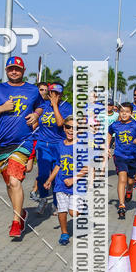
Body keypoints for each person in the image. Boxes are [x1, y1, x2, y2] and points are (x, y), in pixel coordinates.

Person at [0, 56, 41, 237]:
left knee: (15, 181)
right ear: (6, 70)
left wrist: (36, 115)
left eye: (18, 69)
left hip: (23, 141)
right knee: (9, 184)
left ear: (23, 70)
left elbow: (41, 106)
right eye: (11, 69)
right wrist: (2, 108)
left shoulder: (32, 90)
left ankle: (16, 222)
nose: (14, 71)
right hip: (3, 143)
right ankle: (21, 212)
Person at [44, 115, 87, 245]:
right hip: (60, 183)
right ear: (64, 128)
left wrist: (74, 179)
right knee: (62, 210)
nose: (71, 130)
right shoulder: (59, 145)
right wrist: (49, 180)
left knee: (73, 213)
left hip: (77, 185)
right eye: (68, 127)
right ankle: (64, 233)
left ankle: (82, 208)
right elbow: (58, 164)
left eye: (75, 128)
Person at [35, 82, 72, 215]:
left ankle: (56, 204)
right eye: (52, 93)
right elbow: (36, 119)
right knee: (43, 175)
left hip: (58, 145)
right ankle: (43, 198)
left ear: (61, 94)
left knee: (57, 177)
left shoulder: (66, 107)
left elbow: (60, 123)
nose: (55, 95)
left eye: (57, 93)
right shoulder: (43, 105)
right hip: (43, 144)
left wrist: (55, 105)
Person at [108, 102, 136, 219]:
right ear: (119, 113)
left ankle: (129, 190)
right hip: (120, 156)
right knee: (122, 179)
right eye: (122, 111)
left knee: (130, 182)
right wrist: (107, 147)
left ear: (131, 113)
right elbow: (109, 133)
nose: (124, 114)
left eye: (127, 112)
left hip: (133, 157)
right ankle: (121, 205)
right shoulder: (115, 125)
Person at [28, 81, 49, 201]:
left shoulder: (48, 105)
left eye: (46, 90)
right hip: (30, 139)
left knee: (42, 168)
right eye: (41, 90)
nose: (43, 92)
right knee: (28, 168)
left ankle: (34, 190)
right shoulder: (31, 103)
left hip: (42, 140)